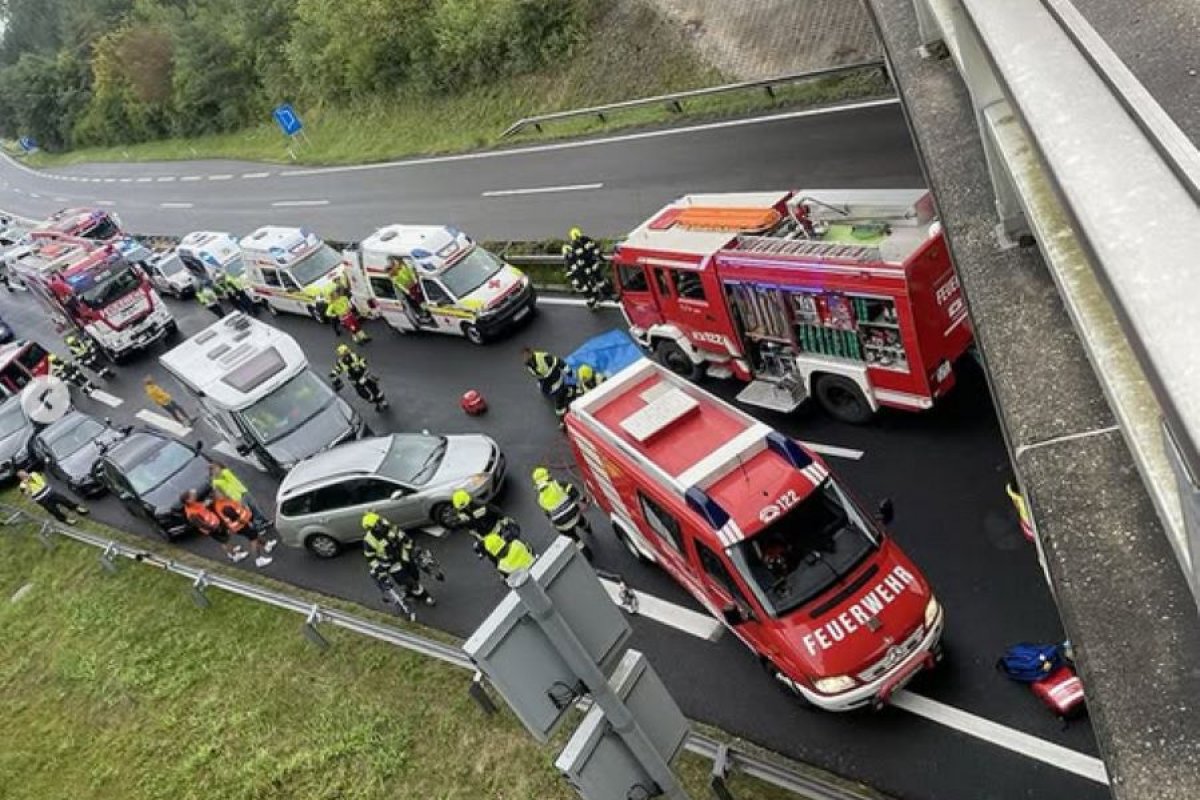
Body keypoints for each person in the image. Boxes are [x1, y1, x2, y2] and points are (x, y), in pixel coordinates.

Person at [361, 511, 435, 617]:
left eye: (379, 520)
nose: (381, 523)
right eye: (378, 523)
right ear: (372, 528)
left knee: (415, 575)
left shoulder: (388, 526)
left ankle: (410, 592)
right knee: (410, 581)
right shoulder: (368, 541)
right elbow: (370, 558)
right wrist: (380, 570)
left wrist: (412, 548)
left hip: (404, 556)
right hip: (392, 565)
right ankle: (426, 596)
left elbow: (403, 536)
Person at [451, 489, 535, 576]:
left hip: (496, 534)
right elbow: (468, 527)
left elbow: (497, 512)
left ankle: (521, 558)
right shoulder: (465, 514)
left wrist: (504, 521)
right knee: (497, 555)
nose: (465, 508)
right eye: (463, 507)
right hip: (486, 538)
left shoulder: (480, 507)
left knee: (508, 547)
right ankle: (509, 569)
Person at [532, 466, 593, 560]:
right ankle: (587, 527)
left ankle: (586, 552)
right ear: (547, 476)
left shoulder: (540, 499)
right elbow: (574, 492)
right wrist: (584, 500)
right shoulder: (558, 484)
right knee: (580, 520)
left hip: (561, 525)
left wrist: (553, 523)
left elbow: (548, 514)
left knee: (573, 537)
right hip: (574, 515)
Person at [182, 489, 247, 562]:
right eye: (192, 496)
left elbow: (202, 507)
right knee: (224, 541)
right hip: (213, 528)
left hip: (216, 523)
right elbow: (202, 525)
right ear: (188, 500)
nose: (195, 496)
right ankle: (234, 555)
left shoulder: (194, 504)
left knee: (226, 538)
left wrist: (206, 503)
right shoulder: (191, 514)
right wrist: (215, 528)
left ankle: (231, 549)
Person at [212, 494, 275, 568]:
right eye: (217, 493)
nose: (220, 493)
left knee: (254, 535)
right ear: (215, 497)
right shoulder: (223, 506)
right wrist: (247, 522)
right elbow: (236, 517)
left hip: (239, 526)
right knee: (253, 540)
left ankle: (266, 544)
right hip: (241, 525)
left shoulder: (220, 504)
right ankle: (258, 559)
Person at [210, 462, 269, 530]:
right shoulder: (215, 483)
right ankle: (257, 526)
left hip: (243, 491)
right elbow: (218, 493)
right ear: (212, 472)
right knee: (248, 512)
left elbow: (226, 473)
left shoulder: (226, 472)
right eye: (215, 469)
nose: (218, 470)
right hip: (236, 498)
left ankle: (263, 520)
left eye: (218, 468)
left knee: (254, 506)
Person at [329, 343, 388, 411]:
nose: (343, 356)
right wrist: (333, 374)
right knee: (364, 394)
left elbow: (363, 361)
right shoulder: (341, 362)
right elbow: (337, 369)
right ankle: (376, 402)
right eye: (342, 354)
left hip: (364, 375)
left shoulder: (354, 356)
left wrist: (360, 368)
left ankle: (383, 402)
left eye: (343, 354)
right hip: (355, 380)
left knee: (375, 389)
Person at [18, 469, 88, 525]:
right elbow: (26, 494)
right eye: (22, 475)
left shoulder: (33, 473)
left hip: (50, 492)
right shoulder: (22, 485)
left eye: (24, 473)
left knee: (64, 500)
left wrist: (33, 479)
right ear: (21, 478)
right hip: (42, 499)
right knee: (54, 510)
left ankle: (77, 508)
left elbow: (41, 477)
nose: (25, 475)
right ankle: (66, 520)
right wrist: (27, 484)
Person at [522, 347, 570, 427]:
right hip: (547, 383)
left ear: (530, 353)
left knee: (558, 405)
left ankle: (563, 420)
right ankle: (565, 395)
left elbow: (557, 361)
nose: (525, 358)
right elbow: (539, 375)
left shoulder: (542, 358)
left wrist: (568, 371)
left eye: (526, 355)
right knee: (557, 396)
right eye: (523, 357)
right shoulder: (529, 365)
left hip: (556, 381)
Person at [568, 226, 606, 309]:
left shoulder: (575, 245)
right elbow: (594, 248)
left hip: (589, 266)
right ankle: (599, 297)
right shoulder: (585, 239)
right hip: (591, 264)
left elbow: (581, 257)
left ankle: (599, 297)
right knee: (595, 282)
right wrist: (600, 258)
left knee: (595, 282)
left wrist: (600, 258)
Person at [388, 257, 431, 326]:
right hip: (411, 288)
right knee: (421, 301)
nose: (393, 270)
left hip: (415, 284)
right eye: (392, 269)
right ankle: (427, 313)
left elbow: (408, 270)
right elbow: (401, 286)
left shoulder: (400, 270)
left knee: (422, 299)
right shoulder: (395, 277)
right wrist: (409, 293)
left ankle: (427, 312)